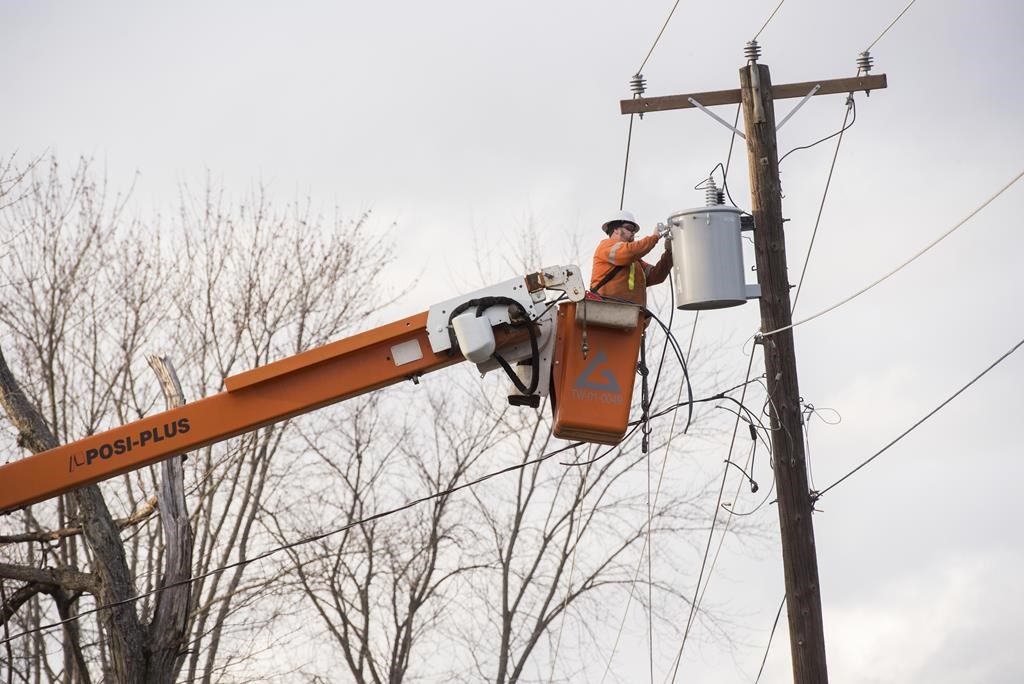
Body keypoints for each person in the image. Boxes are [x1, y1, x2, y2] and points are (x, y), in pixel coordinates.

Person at [590, 210, 672, 307]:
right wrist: (654, 237)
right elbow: (629, 251)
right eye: (629, 228)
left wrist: (669, 253)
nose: (633, 232)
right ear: (616, 230)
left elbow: (656, 275)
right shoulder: (606, 247)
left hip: (631, 316)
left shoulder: (635, 262)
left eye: (634, 230)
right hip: (607, 310)